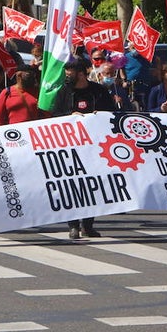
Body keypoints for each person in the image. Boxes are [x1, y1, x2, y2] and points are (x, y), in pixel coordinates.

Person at [55, 57, 116, 240]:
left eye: (70, 74)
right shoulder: (64, 92)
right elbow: (56, 115)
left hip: (94, 146)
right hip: (70, 145)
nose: (67, 77)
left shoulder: (99, 91)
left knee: (92, 186)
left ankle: (88, 225)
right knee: (72, 186)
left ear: (81, 74)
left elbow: (112, 113)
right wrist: (69, 115)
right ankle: (73, 225)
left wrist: (100, 115)